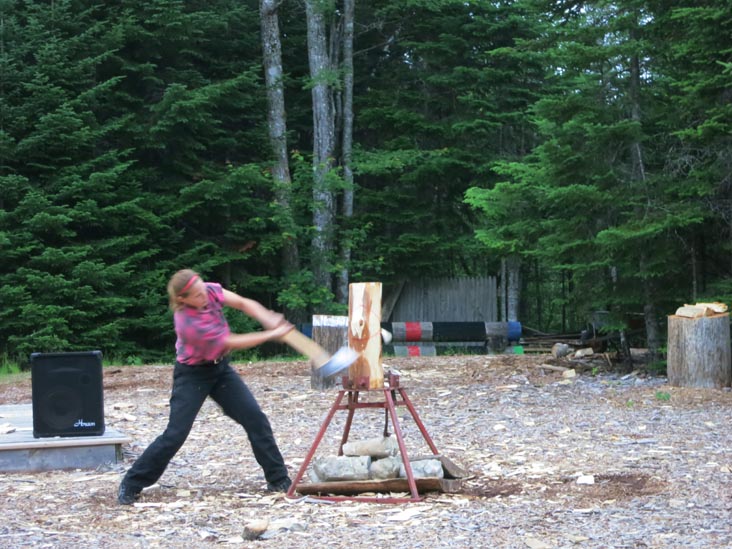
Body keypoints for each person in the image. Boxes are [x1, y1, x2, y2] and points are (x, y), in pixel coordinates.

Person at [118, 269, 294, 505]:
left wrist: (266, 315)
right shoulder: (187, 323)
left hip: (220, 370)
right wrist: (271, 334)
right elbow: (228, 341)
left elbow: (242, 302)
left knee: (255, 418)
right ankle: (132, 482)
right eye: (197, 295)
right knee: (175, 434)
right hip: (192, 375)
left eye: (203, 290)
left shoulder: (208, 290)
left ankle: (278, 480)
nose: (205, 296)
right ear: (183, 299)